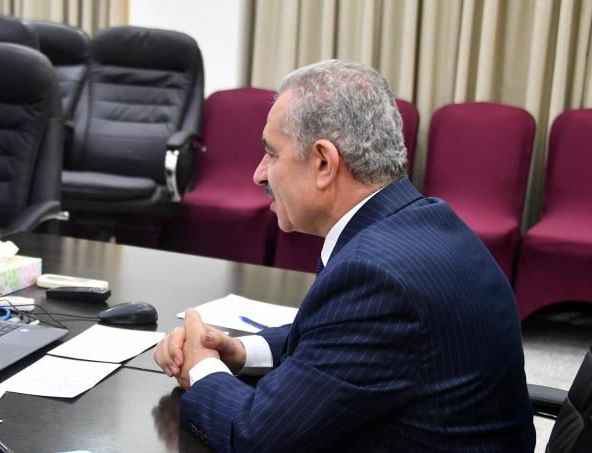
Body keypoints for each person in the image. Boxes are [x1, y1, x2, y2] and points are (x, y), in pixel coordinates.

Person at [154, 60, 535, 451]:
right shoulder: (428, 223)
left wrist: (201, 367)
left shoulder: (377, 278)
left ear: (324, 162)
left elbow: (255, 437)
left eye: (272, 154)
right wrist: (241, 352)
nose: (259, 174)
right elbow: (339, 337)